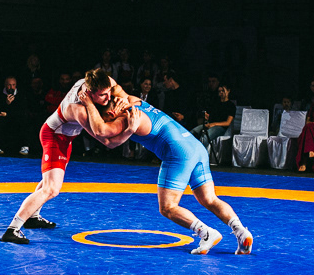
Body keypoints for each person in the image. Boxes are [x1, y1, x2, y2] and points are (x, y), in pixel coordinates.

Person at [76, 86, 254, 256]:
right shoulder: (134, 100)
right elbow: (111, 83)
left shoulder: (125, 118)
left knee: (168, 207)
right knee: (210, 199)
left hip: (178, 153)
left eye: (105, 118)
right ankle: (241, 231)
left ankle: (206, 233)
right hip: (196, 147)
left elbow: (104, 135)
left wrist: (89, 104)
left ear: (109, 113)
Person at [0, 69, 135, 245]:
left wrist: (123, 99)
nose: (109, 98)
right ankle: (12, 229)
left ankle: (32, 217)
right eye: (103, 95)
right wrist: (130, 130)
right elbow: (105, 139)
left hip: (66, 138)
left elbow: (117, 89)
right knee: (52, 188)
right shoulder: (77, 108)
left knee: (48, 182)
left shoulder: (97, 81)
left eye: (109, 92)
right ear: (89, 93)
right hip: (54, 136)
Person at [0, 75, 36, 156]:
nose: (11, 87)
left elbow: (22, 110)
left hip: (16, 117)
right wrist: (6, 103)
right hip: (3, 118)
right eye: (9, 85)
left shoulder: (21, 94)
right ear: (5, 85)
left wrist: (8, 113)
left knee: (24, 120)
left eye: (13, 85)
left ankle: (25, 146)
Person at [191, 82, 236, 151]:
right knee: (193, 132)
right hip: (210, 124)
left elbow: (227, 123)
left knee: (205, 137)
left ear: (228, 91)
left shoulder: (231, 106)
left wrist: (214, 124)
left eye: (223, 91)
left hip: (220, 127)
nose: (221, 93)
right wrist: (206, 117)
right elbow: (210, 116)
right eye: (219, 91)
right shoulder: (215, 103)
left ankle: (200, 153)